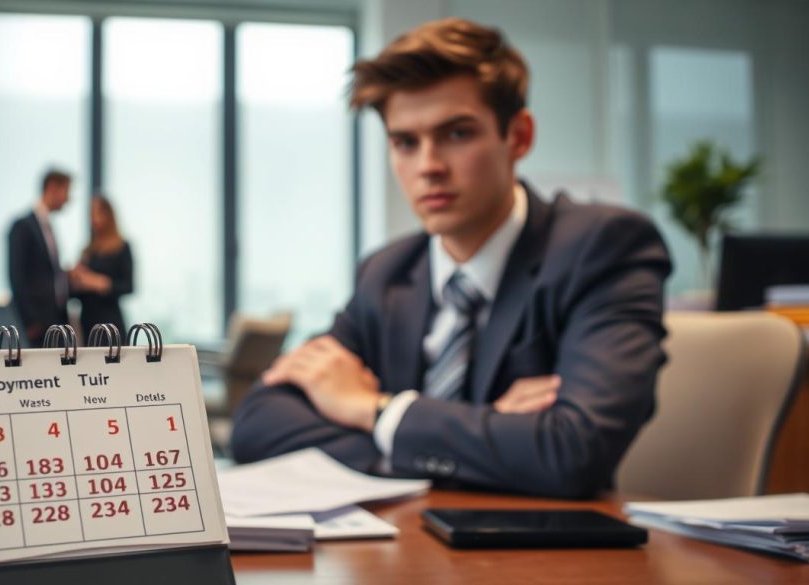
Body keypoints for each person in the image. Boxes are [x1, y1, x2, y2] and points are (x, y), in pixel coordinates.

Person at [230, 18, 673, 499]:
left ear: (519, 137)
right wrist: (481, 440)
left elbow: (573, 452)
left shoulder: (603, 247)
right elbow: (258, 426)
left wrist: (376, 410)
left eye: (457, 134)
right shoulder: (386, 273)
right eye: (405, 142)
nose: (429, 167)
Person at [8, 168, 71, 347]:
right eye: (66, 191)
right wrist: (29, 320)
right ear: (52, 187)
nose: (68, 199)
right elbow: (16, 276)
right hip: (38, 324)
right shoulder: (22, 226)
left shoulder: (48, 226)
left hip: (56, 320)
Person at [70, 195, 135, 336]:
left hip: (110, 321)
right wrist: (76, 279)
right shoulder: (87, 251)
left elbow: (129, 286)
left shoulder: (122, 247)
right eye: (91, 214)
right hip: (87, 322)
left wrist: (100, 283)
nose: (94, 219)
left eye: (97, 213)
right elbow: (74, 295)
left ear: (109, 216)